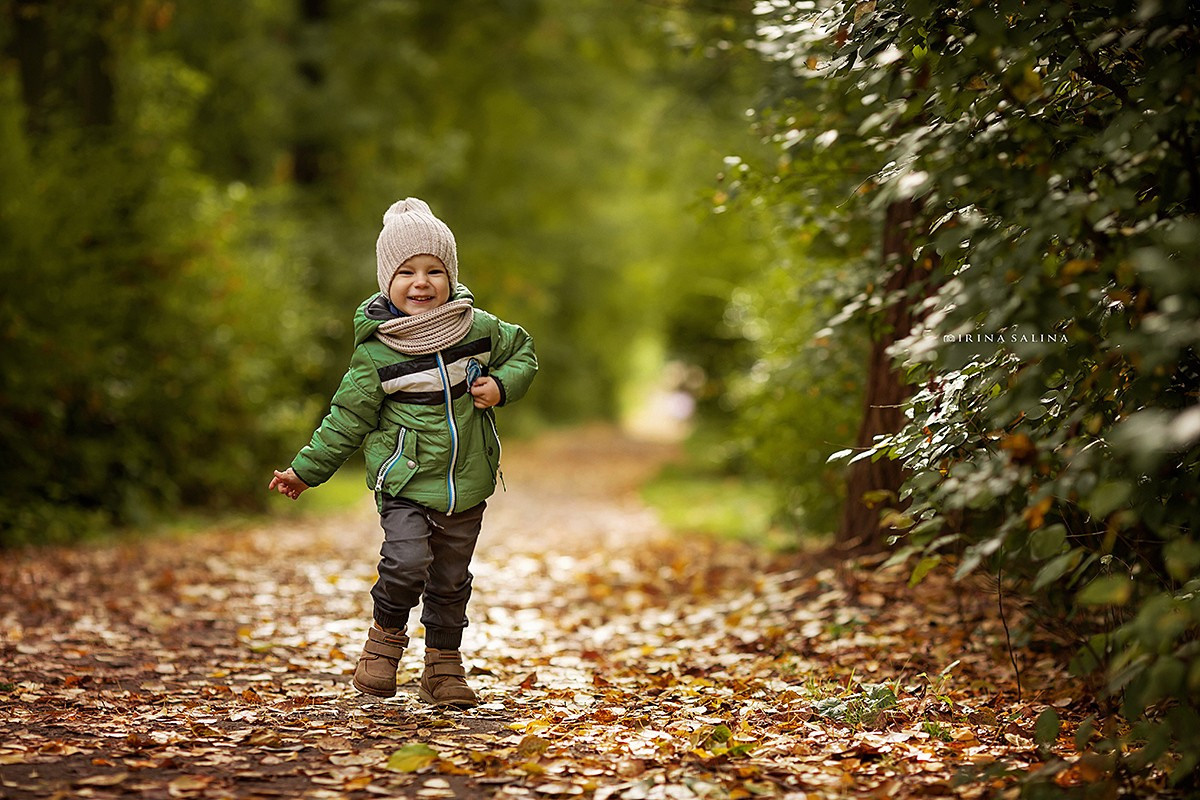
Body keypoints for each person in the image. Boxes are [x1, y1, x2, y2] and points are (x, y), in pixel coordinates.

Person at [269, 197, 537, 707]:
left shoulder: (478, 329)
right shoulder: (377, 354)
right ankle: (383, 644)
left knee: (451, 578)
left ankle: (442, 666)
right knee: (406, 561)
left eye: (434, 270)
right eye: (406, 272)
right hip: (406, 482)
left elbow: (523, 351)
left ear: (451, 276)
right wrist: (306, 472)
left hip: (467, 482)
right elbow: (347, 419)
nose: (421, 282)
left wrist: (502, 384)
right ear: (385, 282)